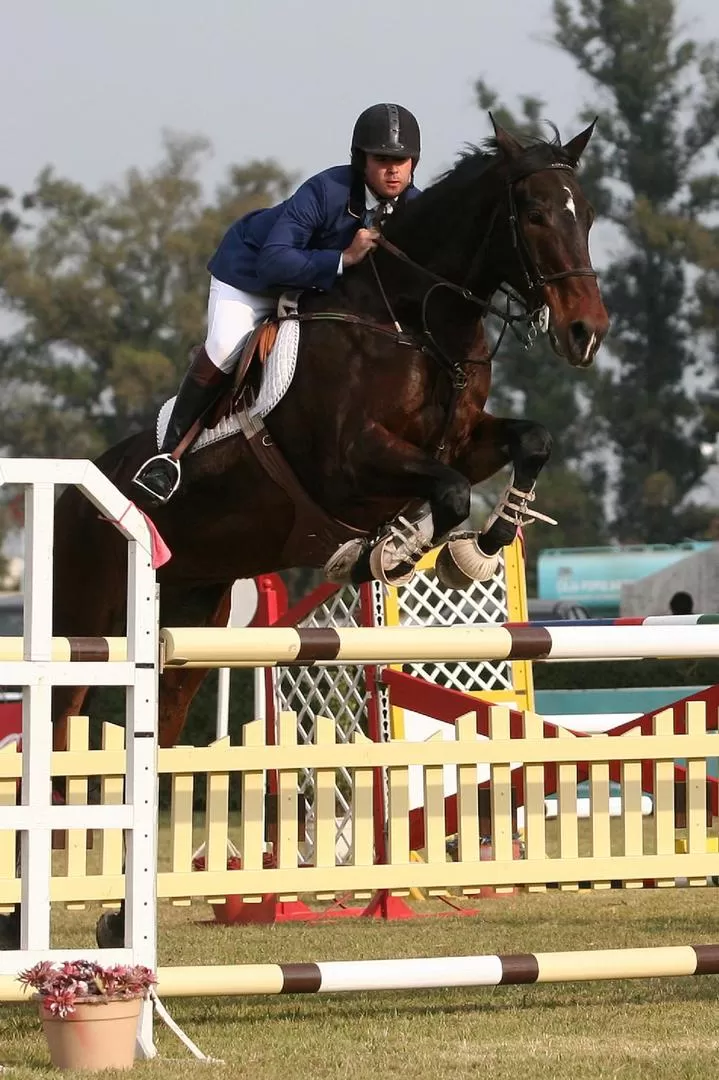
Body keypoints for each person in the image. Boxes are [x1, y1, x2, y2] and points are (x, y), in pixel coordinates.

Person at [133, 103, 422, 503]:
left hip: (313, 292)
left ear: (414, 163)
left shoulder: (414, 208)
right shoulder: (326, 190)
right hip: (253, 278)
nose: (393, 170)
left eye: (401, 161)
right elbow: (273, 261)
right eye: (382, 160)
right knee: (224, 347)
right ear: (362, 161)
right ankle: (167, 457)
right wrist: (344, 258)